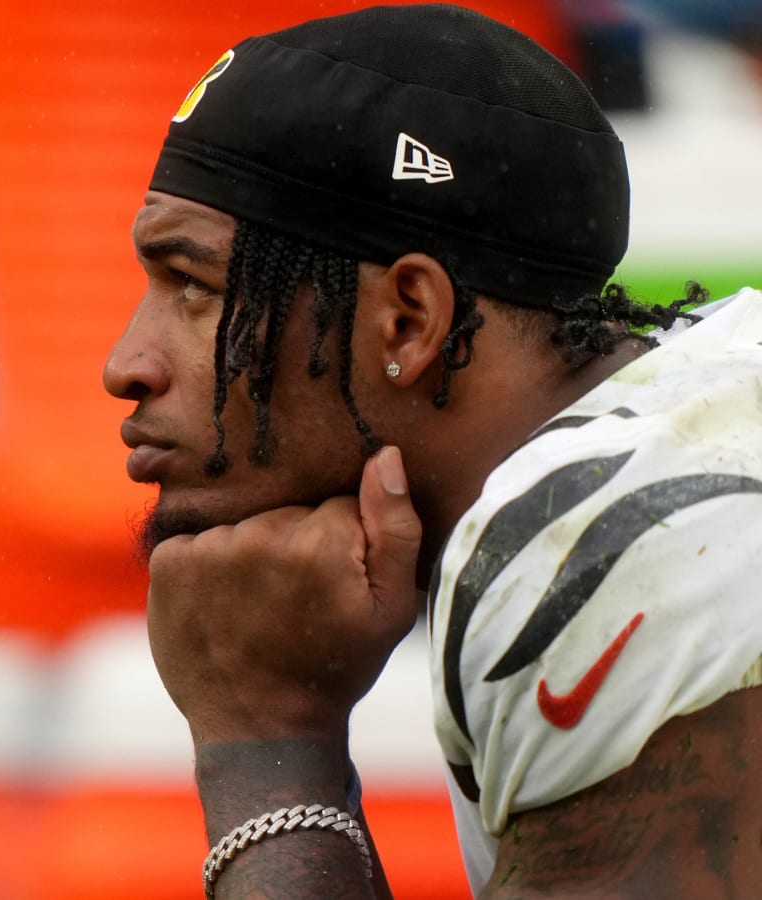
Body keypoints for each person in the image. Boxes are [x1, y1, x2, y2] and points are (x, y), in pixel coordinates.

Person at [101, 4, 762, 897]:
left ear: (408, 320)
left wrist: (267, 747)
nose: (125, 366)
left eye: (193, 285)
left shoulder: (626, 549)